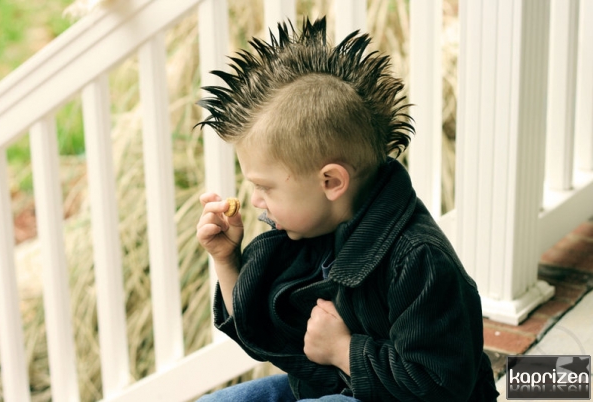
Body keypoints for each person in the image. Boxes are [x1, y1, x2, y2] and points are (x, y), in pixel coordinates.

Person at [195, 16, 499, 402]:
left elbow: (439, 385)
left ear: (331, 182)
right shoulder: (310, 231)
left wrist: (343, 350)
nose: (256, 200)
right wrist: (226, 260)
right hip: (332, 389)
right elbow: (261, 328)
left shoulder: (419, 260)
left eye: (264, 187)